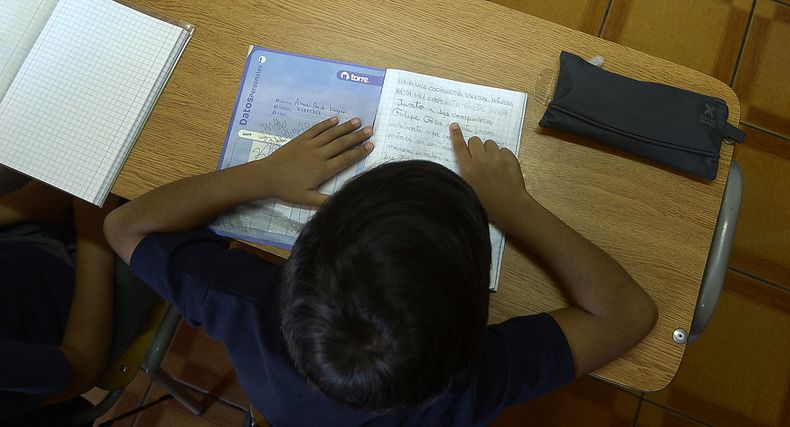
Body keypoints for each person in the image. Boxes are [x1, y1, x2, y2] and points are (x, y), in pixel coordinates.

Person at [104, 117, 658, 426]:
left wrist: (262, 177)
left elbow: (124, 228)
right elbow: (628, 314)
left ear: (301, 260)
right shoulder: (465, 387)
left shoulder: (250, 311)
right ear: (474, 317)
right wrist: (518, 210)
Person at [0, 176, 157, 426]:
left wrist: (17, 205)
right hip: (90, 313)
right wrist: (94, 236)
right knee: (165, 221)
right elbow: (82, 367)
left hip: (15, 248)